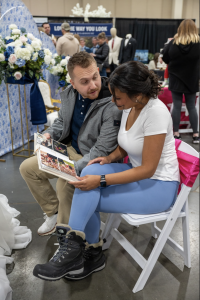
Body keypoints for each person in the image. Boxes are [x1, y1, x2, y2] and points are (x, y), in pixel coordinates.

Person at [33, 61, 180, 282]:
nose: (112, 101)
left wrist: (102, 180)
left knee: (88, 193)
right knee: (88, 173)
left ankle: (82, 251)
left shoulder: (156, 113)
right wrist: (110, 158)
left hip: (159, 185)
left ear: (137, 94)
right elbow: (127, 142)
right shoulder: (129, 106)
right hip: (136, 171)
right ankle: (84, 250)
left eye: (117, 97)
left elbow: (148, 170)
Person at [20, 52, 121, 236]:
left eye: (95, 77)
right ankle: (54, 213)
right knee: (27, 168)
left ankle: (67, 237)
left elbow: (101, 150)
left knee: (65, 183)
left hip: (92, 160)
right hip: (69, 149)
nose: (93, 85)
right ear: (72, 83)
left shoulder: (112, 103)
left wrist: (69, 168)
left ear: (98, 71)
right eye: (84, 82)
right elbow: (61, 122)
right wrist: (48, 134)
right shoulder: (68, 93)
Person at [162, 19, 199, 143]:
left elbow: (165, 57)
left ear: (180, 29)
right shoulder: (198, 43)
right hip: (192, 78)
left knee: (176, 106)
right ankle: (195, 135)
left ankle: (176, 133)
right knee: (191, 107)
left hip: (176, 78)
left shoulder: (173, 43)